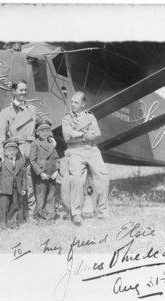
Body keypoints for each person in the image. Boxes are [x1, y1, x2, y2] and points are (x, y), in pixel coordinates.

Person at [0, 80, 46, 220]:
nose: (24, 93)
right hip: (15, 152)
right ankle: (15, 216)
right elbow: (0, 136)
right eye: (21, 90)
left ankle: (31, 215)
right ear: (14, 91)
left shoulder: (32, 109)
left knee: (30, 184)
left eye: (25, 90)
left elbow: (42, 126)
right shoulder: (5, 113)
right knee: (16, 185)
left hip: (31, 149)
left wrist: (49, 137)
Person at [62, 91, 109, 226]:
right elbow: (67, 136)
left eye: (76, 102)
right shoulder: (66, 118)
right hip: (75, 150)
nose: (72, 104)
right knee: (76, 178)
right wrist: (84, 134)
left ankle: (102, 211)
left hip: (91, 149)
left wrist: (77, 134)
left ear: (83, 104)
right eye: (71, 102)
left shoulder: (90, 117)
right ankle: (76, 213)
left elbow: (97, 133)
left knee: (103, 177)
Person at [30, 120, 60, 223]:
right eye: (42, 130)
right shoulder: (35, 144)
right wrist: (40, 173)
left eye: (47, 130)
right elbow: (33, 161)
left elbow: (56, 158)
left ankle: (50, 217)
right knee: (41, 196)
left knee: (51, 196)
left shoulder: (51, 143)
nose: (45, 133)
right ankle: (41, 217)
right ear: (37, 132)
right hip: (41, 175)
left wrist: (57, 170)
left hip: (52, 174)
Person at [0, 139, 27, 230]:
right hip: (5, 189)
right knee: (3, 206)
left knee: (14, 206)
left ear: (17, 151)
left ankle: (11, 223)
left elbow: (24, 176)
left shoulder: (21, 161)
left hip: (16, 188)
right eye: (9, 150)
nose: (11, 152)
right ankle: (0, 225)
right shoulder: (2, 161)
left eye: (14, 150)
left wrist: (23, 188)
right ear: (5, 152)